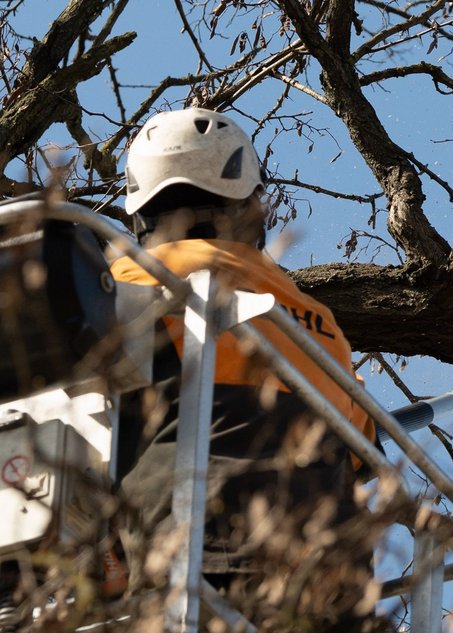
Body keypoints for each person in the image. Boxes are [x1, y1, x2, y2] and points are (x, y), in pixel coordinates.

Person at [110, 108, 386, 630]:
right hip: (331, 581)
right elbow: (363, 448)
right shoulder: (317, 320)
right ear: (248, 202)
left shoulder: (126, 280)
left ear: (140, 208)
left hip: (198, 553)